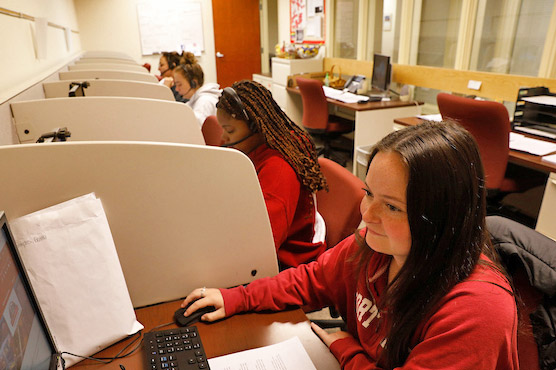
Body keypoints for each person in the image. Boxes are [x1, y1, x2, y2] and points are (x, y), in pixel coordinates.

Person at [180, 121, 519, 369]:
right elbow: (311, 279)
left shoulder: (478, 310)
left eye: (392, 206)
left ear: (443, 220)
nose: (366, 213)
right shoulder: (372, 245)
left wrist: (348, 351)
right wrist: (236, 296)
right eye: (369, 193)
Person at [216, 80, 328, 269]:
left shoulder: (278, 169)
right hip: (273, 245)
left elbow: (263, 246)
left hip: (289, 262)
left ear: (255, 126)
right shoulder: (261, 147)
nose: (223, 138)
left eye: (230, 131)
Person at [173, 52, 220, 127]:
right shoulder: (194, 101)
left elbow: (196, 130)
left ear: (193, 83)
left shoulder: (204, 102)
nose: (177, 89)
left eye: (179, 84)